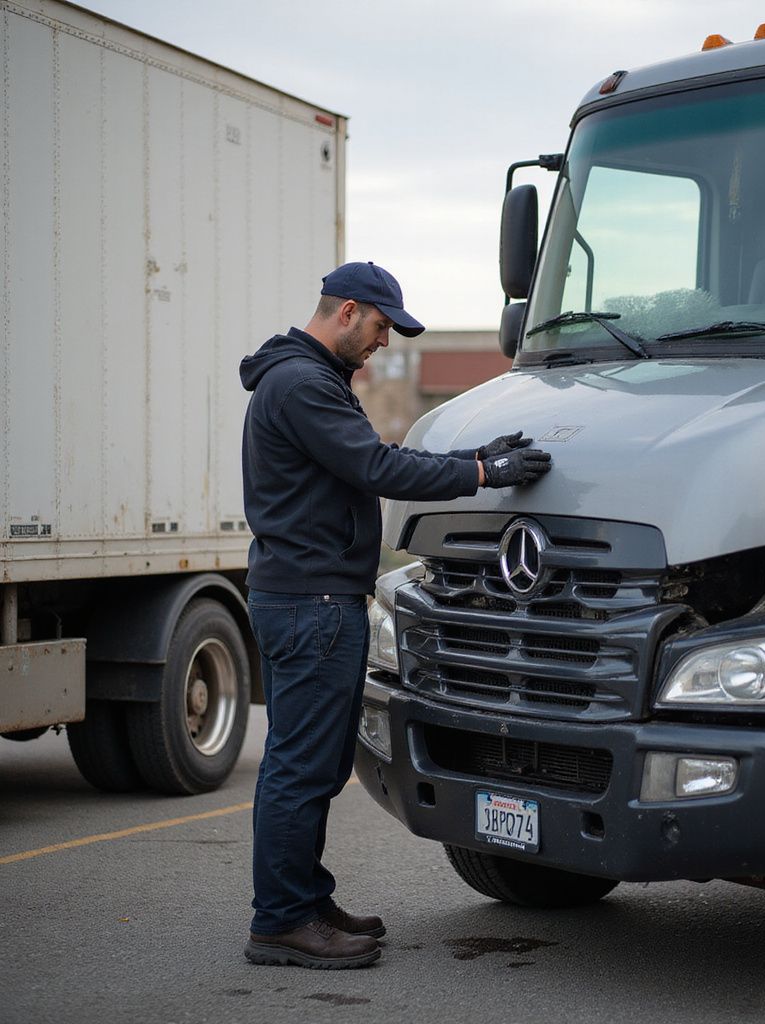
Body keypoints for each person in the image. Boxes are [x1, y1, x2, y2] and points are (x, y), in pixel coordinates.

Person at [238, 261, 551, 970]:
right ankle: (282, 921)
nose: (383, 342)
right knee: (300, 768)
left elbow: (372, 462)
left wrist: (473, 457)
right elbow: (377, 468)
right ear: (348, 312)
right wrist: (481, 473)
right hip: (309, 604)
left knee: (312, 767)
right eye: (381, 327)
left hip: (314, 598)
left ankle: (304, 899)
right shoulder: (300, 384)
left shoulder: (304, 380)